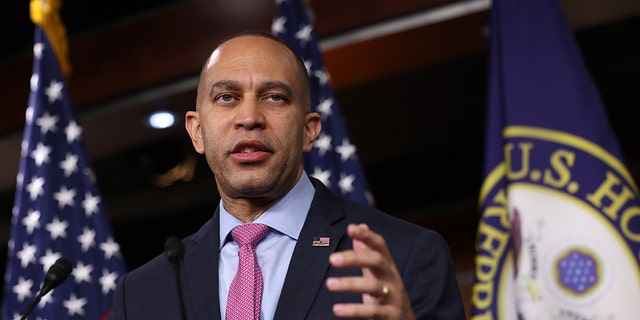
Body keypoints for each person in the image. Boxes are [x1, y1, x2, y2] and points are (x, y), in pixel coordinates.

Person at [109, 31, 466, 320]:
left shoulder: (405, 255)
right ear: (197, 131)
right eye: (227, 98)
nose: (249, 117)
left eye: (275, 97)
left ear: (310, 130)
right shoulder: (142, 292)